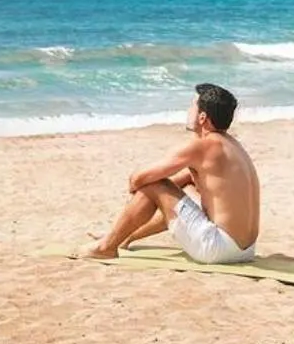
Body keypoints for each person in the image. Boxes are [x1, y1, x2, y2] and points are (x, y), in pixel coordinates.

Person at [87, 82, 260, 263]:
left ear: (202, 117)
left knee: (155, 185)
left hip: (219, 249)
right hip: (245, 250)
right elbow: (182, 182)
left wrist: (141, 190)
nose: (188, 110)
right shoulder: (232, 145)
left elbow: (138, 178)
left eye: (191, 106)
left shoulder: (203, 146)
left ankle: (105, 247)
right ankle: (124, 237)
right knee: (178, 191)